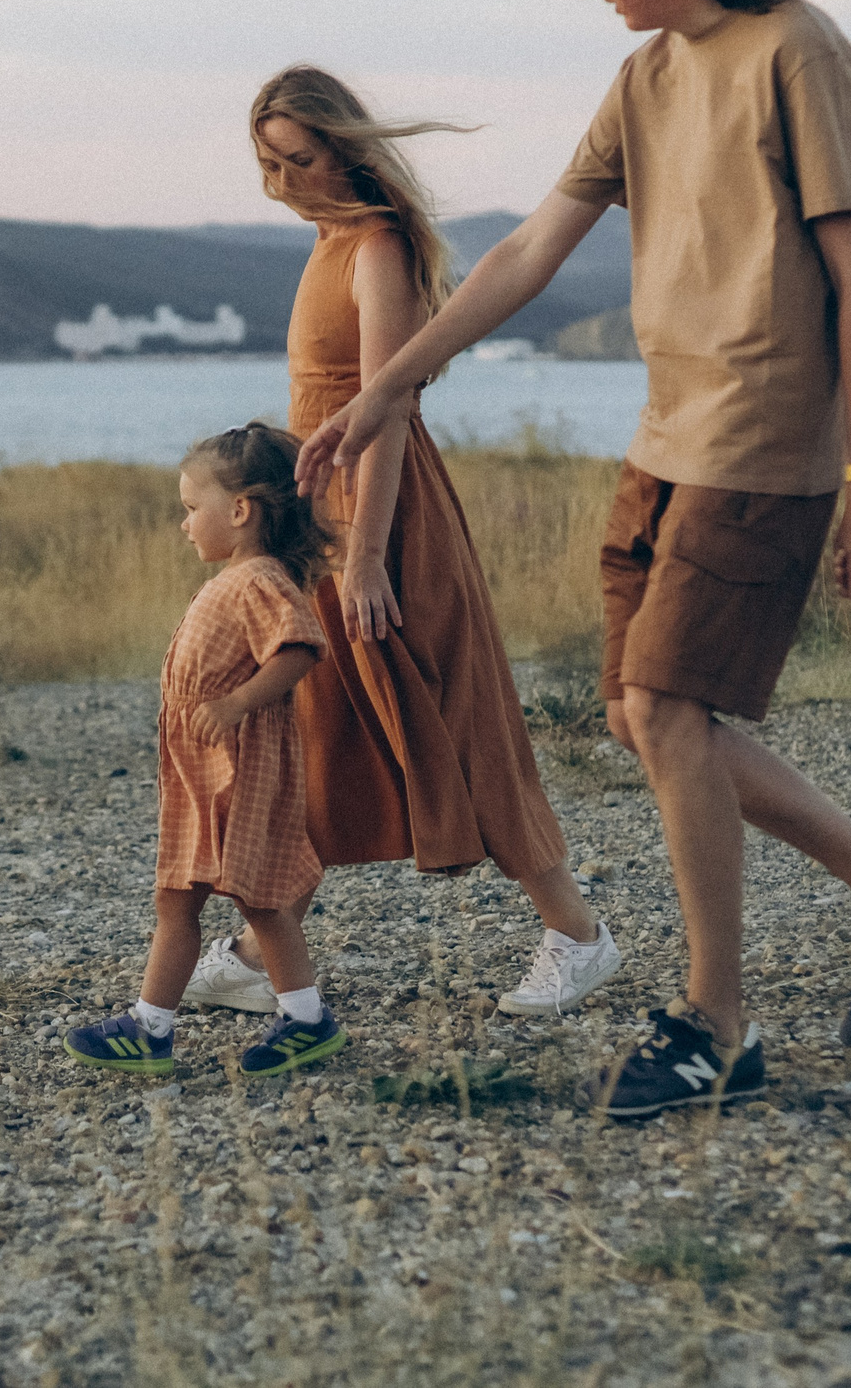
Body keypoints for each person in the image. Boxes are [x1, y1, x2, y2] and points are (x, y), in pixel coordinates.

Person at [295, 0, 851, 1117]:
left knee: (666, 709)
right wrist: (388, 390)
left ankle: (716, 1024)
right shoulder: (644, 76)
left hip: (762, 440)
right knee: (639, 717)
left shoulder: (795, 51)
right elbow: (527, 254)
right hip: (663, 440)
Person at [179, 64, 623, 1024]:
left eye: (300, 159)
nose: (283, 181)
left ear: (346, 148)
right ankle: (260, 951)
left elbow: (388, 408)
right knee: (318, 725)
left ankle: (578, 933)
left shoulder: (377, 248)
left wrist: (368, 553)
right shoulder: (329, 242)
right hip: (320, 521)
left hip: (382, 517)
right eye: (268, 163)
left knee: (455, 716)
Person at [65, 422, 349, 1081]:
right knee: (176, 899)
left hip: (243, 769)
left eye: (193, 508)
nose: (185, 523)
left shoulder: (259, 580)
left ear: (241, 510)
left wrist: (238, 703)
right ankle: (149, 1027)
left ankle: (306, 1019)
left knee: (262, 899)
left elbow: (300, 647)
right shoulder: (236, 577)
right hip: (199, 775)